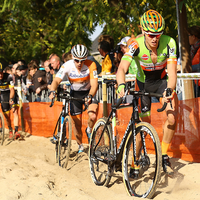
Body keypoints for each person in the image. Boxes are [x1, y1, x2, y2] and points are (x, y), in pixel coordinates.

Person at [116, 9, 178, 176]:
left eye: (158, 34)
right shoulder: (135, 44)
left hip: (162, 81)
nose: (154, 38)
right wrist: (121, 85)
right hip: (142, 85)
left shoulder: (170, 42)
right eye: (150, 34)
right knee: (142, 126)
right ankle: (135, 163)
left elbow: (172, 72)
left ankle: (163, 155)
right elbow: (122, 68)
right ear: (143, 31)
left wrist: (170, 89)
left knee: (172, 117)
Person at [49, 44, 99, 153]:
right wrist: (52, 90)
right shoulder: (67, 65)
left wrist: (90, 96)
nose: (80, 63)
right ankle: (80, 144)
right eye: (77, 60)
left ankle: (89, 129)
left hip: (89, 92)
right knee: (77, 123)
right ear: (72, 57)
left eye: (82, 60)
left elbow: (94, 85)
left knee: (92, 115)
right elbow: (56, 80)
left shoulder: (91, 65)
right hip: (75, 94)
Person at [0, 62, 20, 139]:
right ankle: (10, 130)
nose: (0, 75)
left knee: (15, 111)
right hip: (3, 95)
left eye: (1, 73)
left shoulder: (9, 77)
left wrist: (11, 99)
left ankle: (16, 131)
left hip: (12, 94)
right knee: (7, 116)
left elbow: (12, 90)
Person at [188, 25, 200, 97]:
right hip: (196, 83)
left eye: (189, 35)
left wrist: (186, 68)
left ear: (194, 36)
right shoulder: (193, 49)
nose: (187, 38)